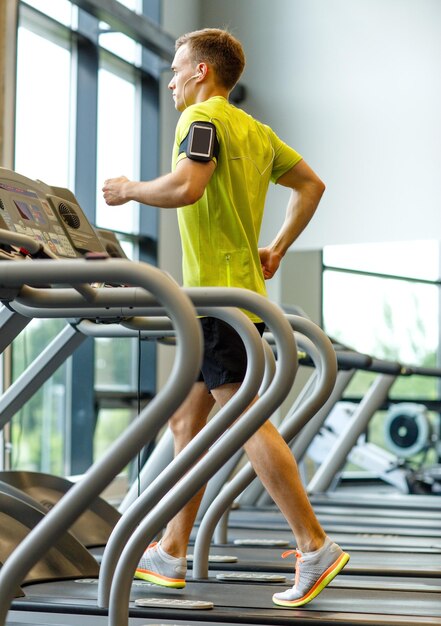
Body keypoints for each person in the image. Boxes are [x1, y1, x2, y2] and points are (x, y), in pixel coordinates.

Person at [102, 27, 349, 608]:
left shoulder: (201, 121)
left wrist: (129, 190)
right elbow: (311, 185)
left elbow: (189, 186)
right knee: (187, 424)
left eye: (175, 67)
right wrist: (279, 246)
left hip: (220, 303)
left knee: (243, 421)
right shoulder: (257, 132)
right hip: (224, 301)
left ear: (201, 73)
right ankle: (171, 548)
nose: (168, 79)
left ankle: (314, 546)